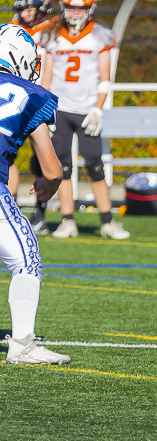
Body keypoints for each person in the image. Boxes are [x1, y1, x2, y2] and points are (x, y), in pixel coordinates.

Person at [0, 23, 70, 365]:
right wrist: (48, 187)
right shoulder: (31, 94)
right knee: (26, 258)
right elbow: (54, 170)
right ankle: (23, 344)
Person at [39, 0, 129, 240]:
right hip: (61, 109)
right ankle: (67, 220)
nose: (76, 13)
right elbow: (46, 78)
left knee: (95, 165)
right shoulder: (52, 35)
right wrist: (45, 112)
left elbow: (104, 77)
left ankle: (107, 221)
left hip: (87, 110)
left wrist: (98, 110)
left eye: (81, 8)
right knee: (63, 167)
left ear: (90, 8)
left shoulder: (100, 34)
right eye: (71, 8)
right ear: (63, 7)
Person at [7, 0, 57, 234]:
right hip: (16, 98)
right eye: (22, 9)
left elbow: (48, 69)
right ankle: (9, 206)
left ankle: (40, 212)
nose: (25, 14)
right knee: (8, 156)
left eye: (30, 9)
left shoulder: (52, 31)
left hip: (35, 100)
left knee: (41, 161)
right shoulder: (12, 29)